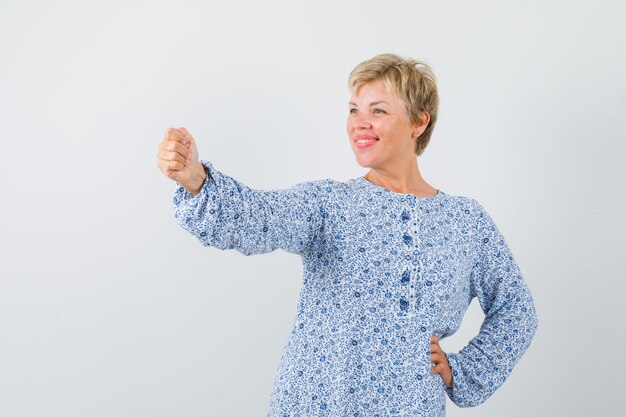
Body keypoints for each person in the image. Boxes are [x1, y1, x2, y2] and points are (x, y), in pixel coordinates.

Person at [156, 53, 538, 416]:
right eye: (354, 110)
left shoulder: (466, 222)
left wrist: (461, 371)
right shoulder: (328, 203)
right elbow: (260, 218)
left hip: (411, 405)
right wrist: (196, 181)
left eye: (378, 111)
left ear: (419, 123)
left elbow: (517, 311)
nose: (359, 122)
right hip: (318, 401)